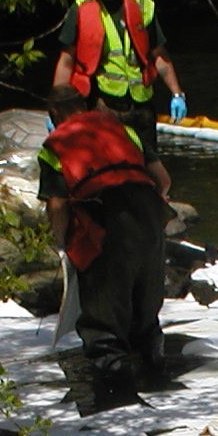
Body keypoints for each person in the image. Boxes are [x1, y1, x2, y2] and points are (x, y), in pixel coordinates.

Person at [37, 86, 171, 386]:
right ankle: (154, 369)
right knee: (144, 303)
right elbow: (163, 180)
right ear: (83, 105)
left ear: (54, 114)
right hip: (150, 214)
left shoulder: (55, 146)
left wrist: (61, 243)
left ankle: (114, 385)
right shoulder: (123, 130)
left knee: (104, 309)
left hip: (105, 220)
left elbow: (57, 205)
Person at [51, 0, 187, 199]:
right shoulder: (81, 9)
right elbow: (66, 61)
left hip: (141, 105)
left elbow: (160, 56)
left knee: (151, 175)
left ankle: (155, 223)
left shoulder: (142, 5)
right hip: (104, 106)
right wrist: (56, 107)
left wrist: (177, 94)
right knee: (109, 173)